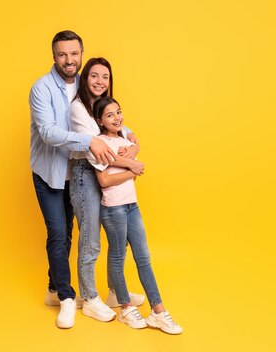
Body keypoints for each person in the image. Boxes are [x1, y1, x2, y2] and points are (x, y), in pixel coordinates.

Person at [29, 30, 115, 329]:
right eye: (63, 54)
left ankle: (54, 289)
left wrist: (126, 133)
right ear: (54, 56)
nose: (69, 60)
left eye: (74, 54)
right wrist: (89, 141)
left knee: (82, 232)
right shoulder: (41, 88)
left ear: (81, 54)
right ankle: (67, 297)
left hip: (79, 174)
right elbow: (49, 133)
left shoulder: (86, 83)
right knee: (59, 233)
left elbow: (103, 116)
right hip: (50, 173)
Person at [90, 96, 183, 334]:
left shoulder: (124, 141)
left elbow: (131, 159)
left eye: (118, 112)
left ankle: (158, 311)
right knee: (118, 257)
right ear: (100, 120)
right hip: (113, 208)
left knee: (143, 257)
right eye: (109, 115)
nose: (116, 118)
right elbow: (104, 180)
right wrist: (132, 170)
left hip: (132, 205)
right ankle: (125, 307)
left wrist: (132, 153)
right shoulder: (98, 144)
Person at [68, 57, 146, 323]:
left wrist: (133, 145)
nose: (100, 82)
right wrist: (134, 163)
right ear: (84, 78)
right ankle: (90, 298)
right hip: (85, 173)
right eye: (94, 76)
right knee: (90, 238)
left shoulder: (104, 106)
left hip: (109, 172)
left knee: (118, 238)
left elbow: (125, 130)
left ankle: (116, 291)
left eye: (105, 77)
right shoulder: (79, 108)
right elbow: (101, 152)